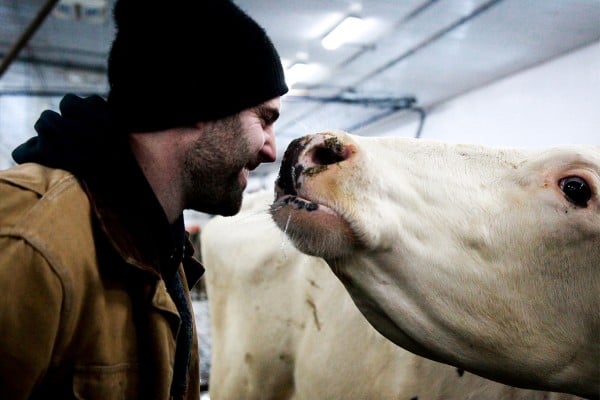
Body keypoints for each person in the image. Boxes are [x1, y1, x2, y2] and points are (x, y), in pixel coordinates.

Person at [0, 0, 288, 398]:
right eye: (265, 119)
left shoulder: (158, 246)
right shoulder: (31, 242)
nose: (271, 150)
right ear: (201, 100)